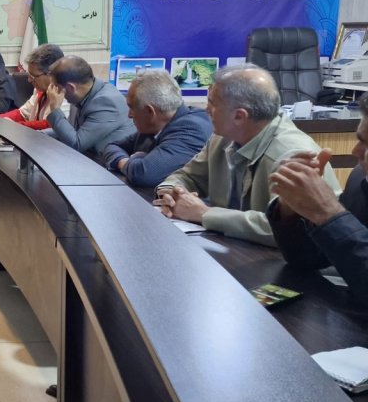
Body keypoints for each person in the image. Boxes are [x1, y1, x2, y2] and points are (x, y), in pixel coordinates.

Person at [157, 64, 339, 246]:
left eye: (212, 103)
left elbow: (286, 230)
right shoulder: (223, 137)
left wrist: (203, 213)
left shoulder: (292, 155)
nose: (206, 109)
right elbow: (188, 176)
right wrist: (170, 193)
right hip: (234, 249)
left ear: (239, 116)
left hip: (283, 259)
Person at [266, 94, 368, 303]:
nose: (355, 151)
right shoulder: (360, 179)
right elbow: (308, 260)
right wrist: (292, 210)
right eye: (360, 139)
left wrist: (329, 213)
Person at [101, 70, 212, 188]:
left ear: (150, 111)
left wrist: (135, 160)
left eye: (131, 107)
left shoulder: (191, 130)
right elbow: (112, 146)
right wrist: (126, 161)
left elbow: (143, 174)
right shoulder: (152, 127)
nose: (129, 115)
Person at [45, 56, 135, 154]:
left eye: (56, 87)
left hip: (106, 162)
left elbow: (76, 144)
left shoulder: (106, 102)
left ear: (71, 88)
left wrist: (55, 108)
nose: (53, 92)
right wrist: (39, 135)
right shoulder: (80, 96)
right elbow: (69, 131)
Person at [0, 44, 64, 129]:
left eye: (33, 76)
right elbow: (23, 114)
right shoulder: (39, 90)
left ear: (51, 74)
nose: (29, 80)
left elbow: (50, 125)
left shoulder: (66, 94)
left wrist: (15, 126)